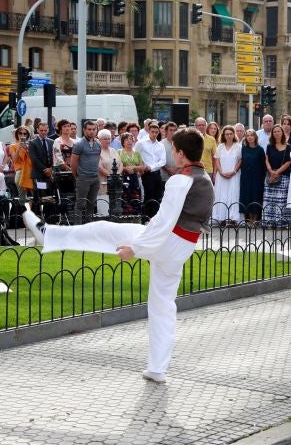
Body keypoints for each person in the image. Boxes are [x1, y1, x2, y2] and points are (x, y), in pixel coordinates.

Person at [22, 128, 214, 384]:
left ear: (179, 153)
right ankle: (157, 368)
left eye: (173, 150)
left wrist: (137, 248)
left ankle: (50, 236)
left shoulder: (182, 180)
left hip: (167, 241)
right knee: (163, 306)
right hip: (182, 247)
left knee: (105, 230)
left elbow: (163, 222)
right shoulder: (205, 178)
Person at [71, 119, 101, 224]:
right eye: (89, 129)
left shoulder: (98, 144)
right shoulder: (79, 144)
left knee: (91, 204)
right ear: (84, 130)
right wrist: (77, 176)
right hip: (83, 178)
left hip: (95, 178)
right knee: (80, 204)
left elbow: (97, 160)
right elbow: (73, 163)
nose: (91, 131)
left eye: (93, 129)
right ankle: (77, 227)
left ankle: (89, 226)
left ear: (96, 130)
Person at [262, 125, 291, 228]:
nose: (276, 133)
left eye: (278, 131)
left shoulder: (288, 146)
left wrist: (277, 172)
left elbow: (288, 162)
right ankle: (269, 222)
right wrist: (271, 171)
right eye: (274, 132)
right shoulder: (269, 146)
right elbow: (266, 160)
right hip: (270, 176)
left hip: (283, 177)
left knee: (282, 200)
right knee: (269, 200)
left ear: (282, 132)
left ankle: (281, 223)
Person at [212, 126, 242, 225]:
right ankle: (221, 218)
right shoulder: (220, 147)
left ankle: (232, 218)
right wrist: (220, 172)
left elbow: (240, 161)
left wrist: (233, 172)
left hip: (234, 175)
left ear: (234, 135)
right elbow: (217, 160)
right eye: (226, 134)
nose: (229, 136)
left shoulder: (238, 146)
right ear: (223, 135)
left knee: (233, 195)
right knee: (222, 196)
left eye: (230, 134)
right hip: (221, 176)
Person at [135, 122, 166, 217]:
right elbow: (136, 155)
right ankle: (146, 217)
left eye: (156, 132)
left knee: (158, 196)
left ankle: (155, 217)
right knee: (148, 195)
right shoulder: (141, 143)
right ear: (148, 131)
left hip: (157, 173)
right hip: (146, 174)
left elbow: (163, 161)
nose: (154, 134)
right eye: (152, 132)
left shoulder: (160, 145)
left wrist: (151, 167)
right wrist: (142, 166)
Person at [239, 130, 266, 225]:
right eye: (248, 135)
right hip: (246, 177)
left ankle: (256, 218)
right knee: (247, 196)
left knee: (256, 196)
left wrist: (262, 178)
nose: (250, 137)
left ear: (255, 137)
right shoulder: (243, 149)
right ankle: (250, 218)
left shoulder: (260, 149)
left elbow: (263, 165)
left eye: (252, 135)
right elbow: (241, 162)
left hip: (257, 177)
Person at [29, 122, 56, 205]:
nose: (43, 132)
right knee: (41, 196)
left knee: (50, 196)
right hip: (39, 175)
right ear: (37, 130)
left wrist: (51, 169)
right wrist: (45, 170)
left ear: (48, 130)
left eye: (45, 130)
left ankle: (48, 212)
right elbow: (34, 159)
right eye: (41, 130)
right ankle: (38, 211)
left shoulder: (52, 142)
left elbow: (55, 157)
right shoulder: (32, 143)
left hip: (50, 174)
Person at [97, 129, 122, 214]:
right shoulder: (97, 151)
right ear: (99, 140)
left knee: (116, 207)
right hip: (103, 182)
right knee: (104, 209)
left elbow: (121, 164)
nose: (108, 141)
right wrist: (112, 177)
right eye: (105, 139)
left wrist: (117, 175)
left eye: (109, 138)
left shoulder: (113, 150)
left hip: (116, 183)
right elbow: (99, 167)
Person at [118, 132, 144, 214]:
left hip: (135, 178)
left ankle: (136, 216)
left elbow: (142, 167)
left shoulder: (136, 153)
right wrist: (126, 169)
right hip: (124, 178)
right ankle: (126, 216)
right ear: (123, 142)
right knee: (126, 198)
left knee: (136, 198)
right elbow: (117, 167)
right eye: (126, 139)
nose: (129, 141)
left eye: (130, 139)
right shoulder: (119, 152)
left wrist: (134, 167)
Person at [9, 126, 34, 202]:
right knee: (22, 197)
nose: (22, 135)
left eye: (25, 134)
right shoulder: (13, 146)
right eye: (20, 133)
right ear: (17, 134)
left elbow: (33, 159)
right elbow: (14, 160)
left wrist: (27, 149)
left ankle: (35, 208)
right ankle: (22, 207)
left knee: (34, 194)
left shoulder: (31, 144)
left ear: (27, 135)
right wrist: (19, 147)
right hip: (20, 171)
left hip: (30, 171)